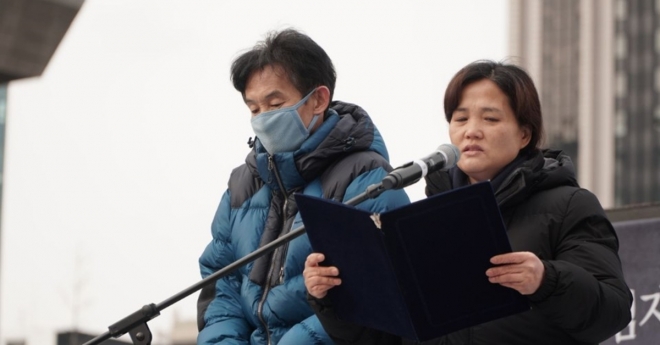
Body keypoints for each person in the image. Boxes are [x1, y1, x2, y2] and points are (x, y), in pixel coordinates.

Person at [303, 60, 633, 345]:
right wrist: (331, 299)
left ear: (524, 134)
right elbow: (383, 338)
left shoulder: (569, 206)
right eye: (460, 119)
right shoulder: (420, 222)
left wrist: (545, 280)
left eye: (490, 119)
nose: (471, 131)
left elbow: (613, 312)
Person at [196, 28, 410, 345]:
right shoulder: (242, 185)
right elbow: (221, 287)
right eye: (254, 109)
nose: (263, 118)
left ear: (318, 99)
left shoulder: (367, 179)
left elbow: (375, 298)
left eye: (275, 103)